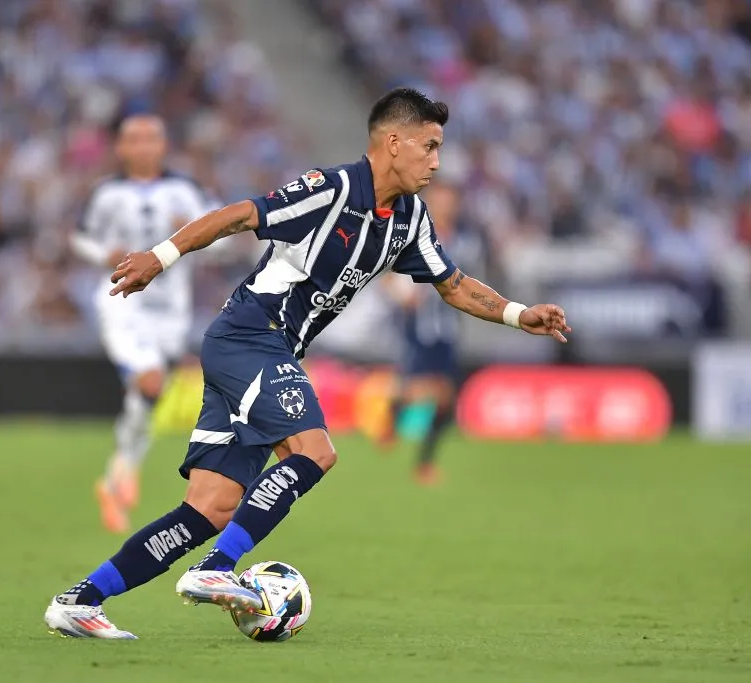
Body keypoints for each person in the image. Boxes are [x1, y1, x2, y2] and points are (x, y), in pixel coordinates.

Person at [45, 88, 570, 639]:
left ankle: (80, 601)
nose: (437, 161)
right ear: (393, 142)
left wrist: (518, 314)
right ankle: (215, 571)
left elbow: (454, 285)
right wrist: (161, 255)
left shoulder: (409, 218)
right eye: (429, 146)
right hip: (250, 336)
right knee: (315, 452)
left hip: (265, 349)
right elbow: (241, 215)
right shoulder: (332, 190)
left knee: (210, 508)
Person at [70, 114, 211, 534]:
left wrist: (189, 234)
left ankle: (117, 475)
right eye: (134, 139)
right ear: (121, 147)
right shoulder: (108, 193)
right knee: (149, 382)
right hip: (123, 302)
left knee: (146, 397)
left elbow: (220, 235)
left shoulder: (184, 191)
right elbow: (81, 238)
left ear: (164, 144)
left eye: (152, 137)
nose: (144, 146)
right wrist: (103, 253)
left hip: (171, 311)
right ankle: (123, 471)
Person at [377, 181, 477, 485]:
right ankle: (401, 430)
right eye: (440, 201)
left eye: (449, 202)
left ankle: (414, 449)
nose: (445, 207)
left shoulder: (463, 241)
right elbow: (388, 278)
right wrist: (404, 297)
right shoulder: (415, 236)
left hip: (446, 328)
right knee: (428, 390)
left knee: (444, 397)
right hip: (420, 327)